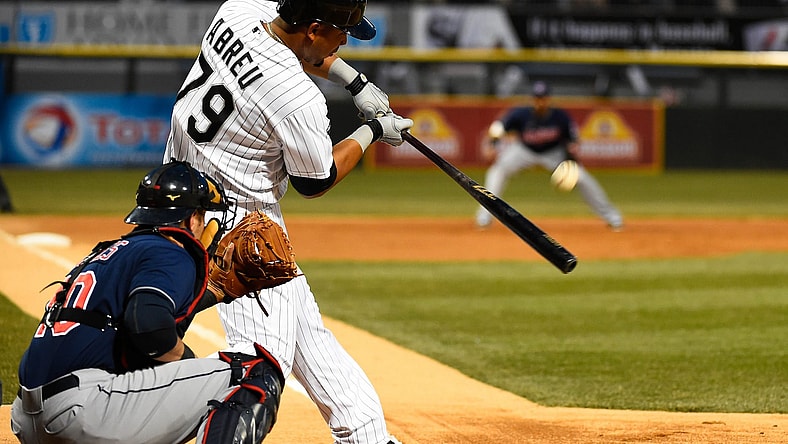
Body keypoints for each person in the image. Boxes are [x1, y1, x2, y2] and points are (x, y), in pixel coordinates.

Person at [163, 1, 413, 444]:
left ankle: (368, 437)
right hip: (242, 230)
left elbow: (296, 51)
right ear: (314, 29)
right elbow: (316, 180)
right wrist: (372, 131)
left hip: (179, 190)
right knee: (260, 372)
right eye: (343, 31)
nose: (347, 41)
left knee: (309, 340)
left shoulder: (237, 11)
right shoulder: (296, 96)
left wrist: (353, 81)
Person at [11, 161, 286, 444]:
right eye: (202, 215)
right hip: (82, 412)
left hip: (29, 417)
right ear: (191, 219)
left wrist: (216, 292)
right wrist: (187, 366)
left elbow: (138, 329)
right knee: (253, 373)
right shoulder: (170, 251)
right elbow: (149, 328)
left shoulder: (113, 252)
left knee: (154, 370)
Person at [475, 80, 624, 231]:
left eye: (543, 98)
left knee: (583, 178)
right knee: (497, 171)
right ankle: (484, 216)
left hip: (554, 153)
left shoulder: (560, 116)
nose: (540, 102)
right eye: (537, 98)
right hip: (524, 151)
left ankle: (612, 217)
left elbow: (573, 139)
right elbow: (498, 127)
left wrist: (571, 159)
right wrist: (493, 143)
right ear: (533, 99)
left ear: (548, 99)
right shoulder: (521, 113)